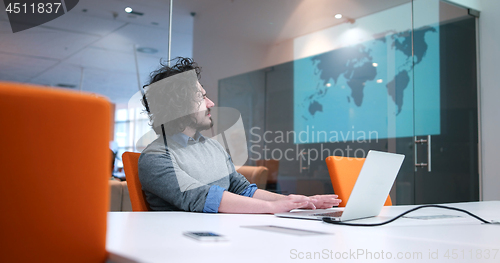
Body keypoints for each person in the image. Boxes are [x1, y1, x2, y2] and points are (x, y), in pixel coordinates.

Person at [138, 57, 341, 213]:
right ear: (178, 107)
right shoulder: (155, 157)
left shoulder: (213, 147)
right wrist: (272, 208)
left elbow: (243, 189)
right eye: (201, 97)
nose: (211, 103)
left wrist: (300, 201)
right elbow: (201, 197)